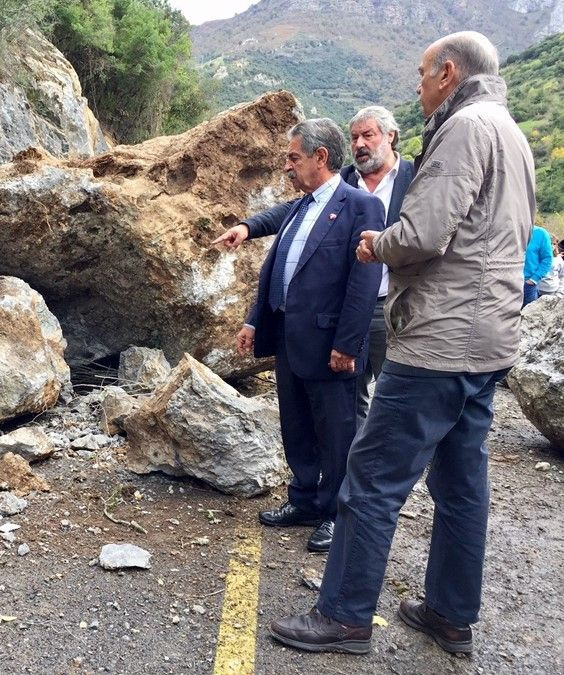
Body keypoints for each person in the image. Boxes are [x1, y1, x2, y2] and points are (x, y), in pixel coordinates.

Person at [269, 31, 536, 655]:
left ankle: (344, 616)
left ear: (449, 73)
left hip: (440, 339)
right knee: (461, 484)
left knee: (371, 476)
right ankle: (450, 613)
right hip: (490, 338)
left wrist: (376, 245)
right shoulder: (512, 132)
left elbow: (424, 233)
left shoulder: (464, 128)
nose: (418, 86)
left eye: (422, 74)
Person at [213, 118, 384, 553]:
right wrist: (255, 320)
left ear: (320, 157)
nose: (287, 166)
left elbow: (363, 282)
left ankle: (336, 513)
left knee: (338, 434)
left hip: (331, 345)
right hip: (290, 339)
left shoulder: (360, 206)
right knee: (297, 425)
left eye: (293, 158)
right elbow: (277, 270)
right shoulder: (300, 206)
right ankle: (305, 500)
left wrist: (347, 344)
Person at [216, 106, 415, 426]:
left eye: (368, 135)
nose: (360, 144)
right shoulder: (342, 180)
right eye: (354, 137)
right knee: (352, 396)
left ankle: (396, 452)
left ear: (390, 136)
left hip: (395, 304)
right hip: (347, 308)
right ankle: (356, 453)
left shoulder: (415, 178)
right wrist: (248, 227)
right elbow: (292, 211)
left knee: (398, 391)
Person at [523, 224, 553, 306]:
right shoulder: (509, 231)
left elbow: (547, 259)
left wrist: (533, 280)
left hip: (528, 284)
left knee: (528, 312)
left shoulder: (540, 233)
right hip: (508, 281)